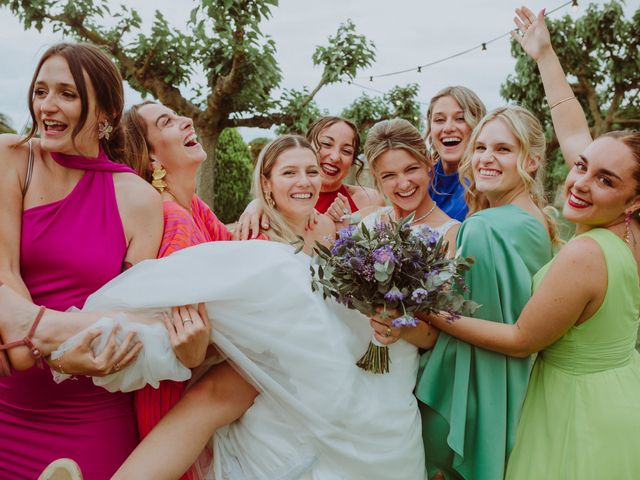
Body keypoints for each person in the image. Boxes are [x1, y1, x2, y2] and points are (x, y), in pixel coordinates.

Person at [0, 135, 426, 480]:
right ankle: (58, 333)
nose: (305, 180)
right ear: (267, 185)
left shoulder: (339, 230)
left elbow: (366, 210)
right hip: (269, 350)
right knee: (211, 306)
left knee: (255, 289)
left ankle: (54, 330)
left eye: (311, 172)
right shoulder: (251, 236)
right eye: (290, 172)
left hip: (320, 356)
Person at [414, 8, 640, 479]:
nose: (580, 180)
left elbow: (517, 339)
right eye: (581, 167)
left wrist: (422, 305)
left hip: (569, 405)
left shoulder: (564, 245)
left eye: (602, 179)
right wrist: (544, 55)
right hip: (620, 390)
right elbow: (579, 138)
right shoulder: (616, 232)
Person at [0, 43, 162, 479]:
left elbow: (128, 314)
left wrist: (58, 350)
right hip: (6, 403)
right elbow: (4, 273)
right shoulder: (12, 157)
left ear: (107, 111)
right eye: (40, 90)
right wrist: (50, 354)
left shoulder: (142, 201)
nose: (47, 106)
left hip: (90, 412)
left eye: (67, 94)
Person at [372, 105, 557, 479]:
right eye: (482, 148)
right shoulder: (535, 220)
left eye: (503, 149)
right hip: (515, 390)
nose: (487, 158)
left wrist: (412, 305)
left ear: (532, 160)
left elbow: (472, 320)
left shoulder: (482, 228)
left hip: (463, 393)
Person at [123, 100, 232, 478]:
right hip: (176, 392)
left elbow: (238, 252)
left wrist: (260, 209)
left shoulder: (195, 207)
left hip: (196, 384)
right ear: (151, 157)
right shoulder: (173, 218)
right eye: (167, 121)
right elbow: (182, 325)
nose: (187, 120)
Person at [235, 116, 385, 239]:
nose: (334, 157)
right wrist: (258, 204)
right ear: (308, 146)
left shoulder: (369, 199)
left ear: (353, 160)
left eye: (346, 151)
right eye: (326, 144)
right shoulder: (280, 203)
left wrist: (350, 229)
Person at [424, 86, 486, 221]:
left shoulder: (487, 184)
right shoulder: (422, 180)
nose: (448, 128)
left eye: (460, 118)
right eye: (439, 120)